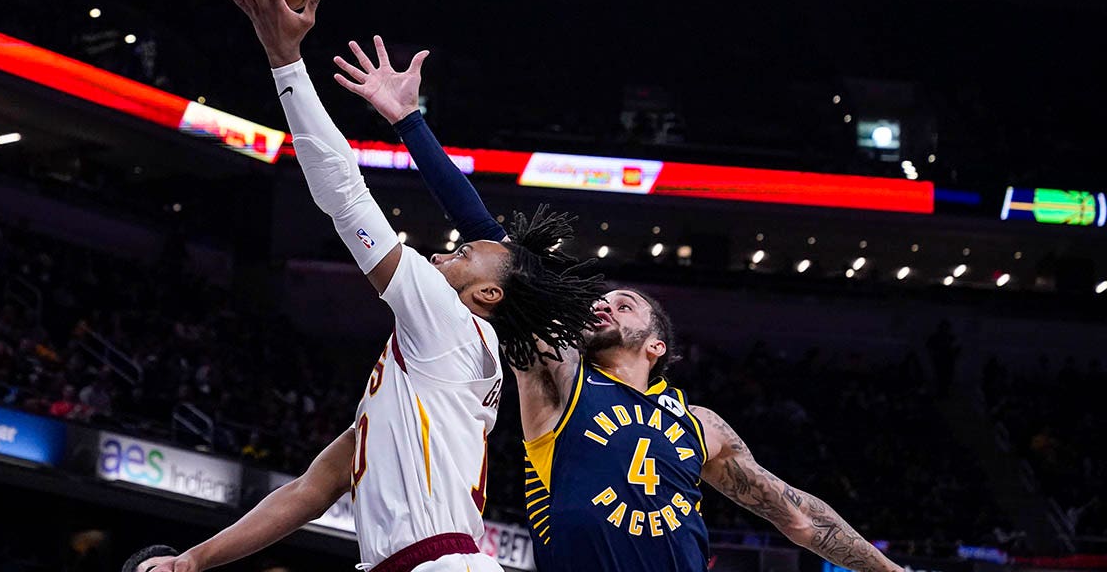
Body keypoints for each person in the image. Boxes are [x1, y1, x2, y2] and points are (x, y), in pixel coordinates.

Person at [333, 40, 907, 572]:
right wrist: (409, 122)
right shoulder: (558, 371)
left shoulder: (702, 427)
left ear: (657, 345)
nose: (603, 306)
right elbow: (491, 243)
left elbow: (800, 518)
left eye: (625, 305)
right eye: (601, 302)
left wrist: (890, 569)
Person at [135, 0, 602, 572]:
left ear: (488, 295)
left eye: (462, 253)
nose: (444, 251)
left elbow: (347, 195)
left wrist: (285, 60)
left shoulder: (449, 324)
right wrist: (192, 561)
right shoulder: (427, 376)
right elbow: (310, 490)